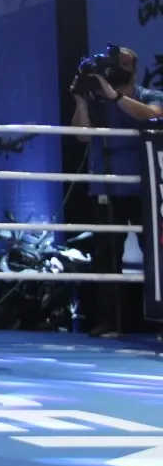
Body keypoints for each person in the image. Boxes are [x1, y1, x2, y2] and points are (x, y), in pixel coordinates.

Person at [70, 45, 163, 337]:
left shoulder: (149, 95)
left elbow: (153, 116)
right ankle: (109, 322)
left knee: (156, 254)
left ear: (133, 69)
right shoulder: (97, 100)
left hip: (146, 189)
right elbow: (81, 137)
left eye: (122, 63)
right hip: (106, 188)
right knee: (106, 256)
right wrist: (81, 101)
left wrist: (116, 97)